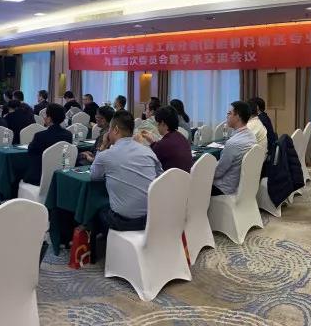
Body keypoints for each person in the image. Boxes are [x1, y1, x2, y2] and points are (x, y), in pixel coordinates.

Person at [85, 112, 162, 258]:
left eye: (109, 129)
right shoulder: (148, 151)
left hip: (125, 221)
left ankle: (107, 251)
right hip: (153, 216)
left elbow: (94, 176)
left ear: (115, 130)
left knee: (97, 209)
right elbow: (160, 178)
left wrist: (103, 145)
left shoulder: (106, 155)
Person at [212, 101, 258, 196]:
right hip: (240, 185)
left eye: (229, 113)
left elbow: (218, 173)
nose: (227, 116)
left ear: (238, 117)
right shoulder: (251, 136)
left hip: (224, 188)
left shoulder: (233, 143)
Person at [22, 103, 72, 185]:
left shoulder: (40, 135)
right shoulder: (68, 135)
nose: (44, 117)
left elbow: (31, 151)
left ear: (49, 119)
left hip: (40, 177)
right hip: (61, 174)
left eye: (45, 115)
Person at [142, 106, 193, 172]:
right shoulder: (181, 137)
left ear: (163, 123)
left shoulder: (163, 144)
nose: (157, 126)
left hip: (171, 178)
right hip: (186, 176)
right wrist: (152, 141)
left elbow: (149, 160)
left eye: (158, 123)